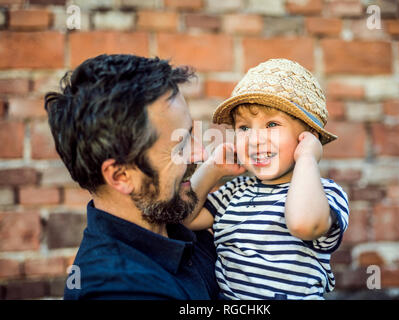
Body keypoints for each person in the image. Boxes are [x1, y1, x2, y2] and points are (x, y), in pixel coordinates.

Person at [45, 54, 220, 299]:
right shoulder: (116, 290)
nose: (200, 153)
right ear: (121, 176)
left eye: (191, 133)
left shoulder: (178, 214)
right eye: (180, 147)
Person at [184, 59, 350, 300]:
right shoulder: (235, 191)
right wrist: (213, 169)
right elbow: (185, 218)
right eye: (243, 128)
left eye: (272, 124)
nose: (254, 140)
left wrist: (307, 159)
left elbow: (304, 224)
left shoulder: (325, 194)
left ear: (308, 137)